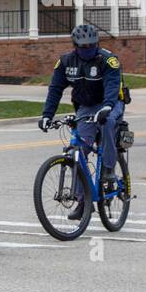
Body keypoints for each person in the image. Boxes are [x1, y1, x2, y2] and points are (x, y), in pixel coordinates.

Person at [39, 23, 125, 193]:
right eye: (83, 46)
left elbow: (112, 86)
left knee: (106, 122)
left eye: (91, 45)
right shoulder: (65, 62)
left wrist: (107, 107)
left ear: (96, 44)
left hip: (111, 103)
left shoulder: (108, 60)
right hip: (86, 106)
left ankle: (108, 169)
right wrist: (47, 115)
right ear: (75, 46)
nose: (87, 49)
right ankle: (81, 201)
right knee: (77, 152)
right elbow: (55, 89)